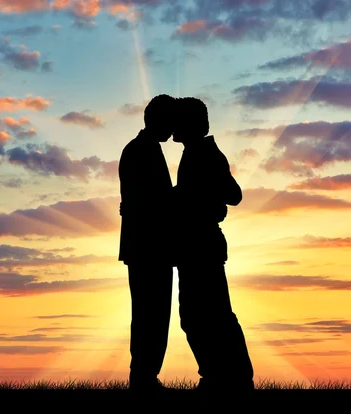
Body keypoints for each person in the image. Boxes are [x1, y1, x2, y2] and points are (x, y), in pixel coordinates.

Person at [171, 97, 254, 393]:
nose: (173, 127)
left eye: (178, 120)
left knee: (207, 315)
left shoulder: (205, 154)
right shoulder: (197, 152)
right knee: (201, 316)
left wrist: (189, 196)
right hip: (196, 245)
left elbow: (234, 195)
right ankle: (222, 377)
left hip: (201, 245)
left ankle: (230, 378)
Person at [118, 94, 176, 392]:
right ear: (156, 121)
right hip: (147, 246)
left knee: (153, 313)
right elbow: (145, 202)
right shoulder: (140, 150)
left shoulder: (144, 149)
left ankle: (145, 376)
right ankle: (142, 377)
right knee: (149, 314)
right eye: (169, 121)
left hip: (149, 246)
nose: (173, 127)